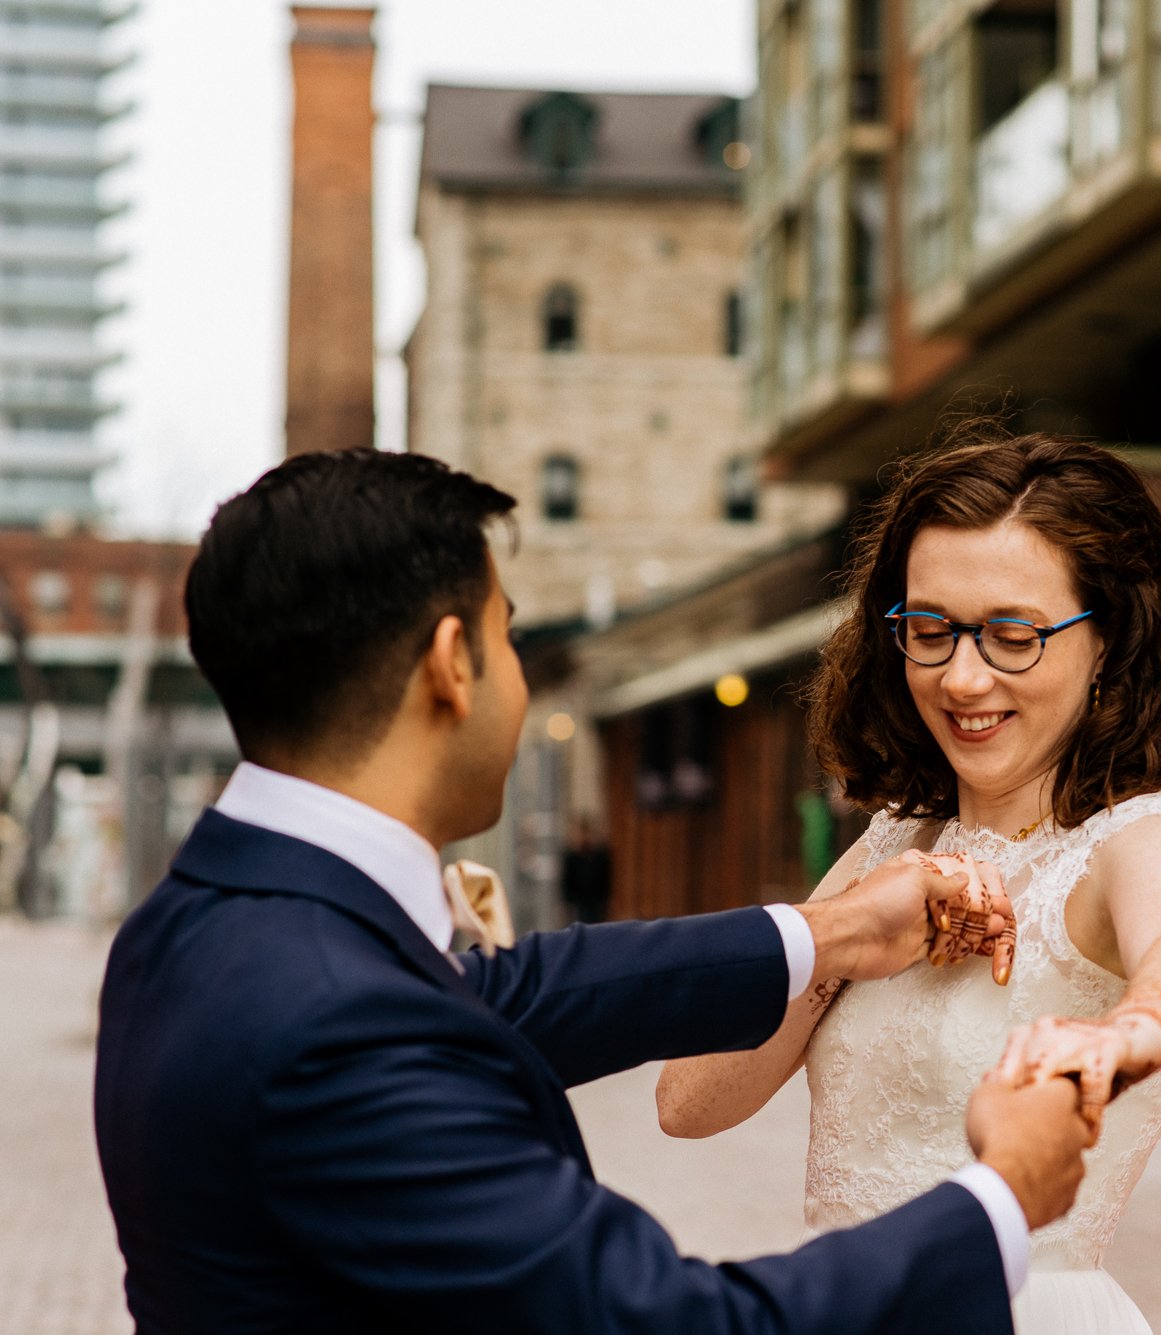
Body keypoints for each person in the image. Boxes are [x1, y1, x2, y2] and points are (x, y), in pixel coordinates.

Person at [93, 449, 1095, 1334]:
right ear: (452, 666)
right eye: (507, 634)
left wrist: (825, 936)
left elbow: (507, 994)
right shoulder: (331, 1023)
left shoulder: (197, 922)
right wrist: (1000, 1202)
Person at [656, 429, 1161, 1333]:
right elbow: (688, 1103)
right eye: (929, 631)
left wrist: (1126, 1038)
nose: (961, 677)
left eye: (1012, 635)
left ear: (1110, 638)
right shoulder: (898, 841)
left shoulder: (1141, 834)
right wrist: (848, 931)